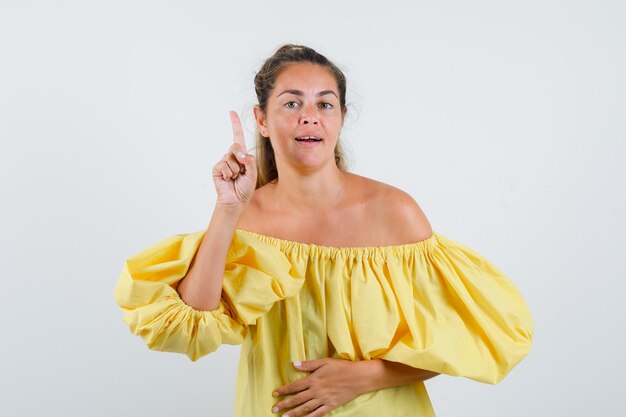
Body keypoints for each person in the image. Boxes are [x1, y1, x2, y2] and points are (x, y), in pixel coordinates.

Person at [113, 44, 534, 417]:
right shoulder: (245, 215)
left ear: (341, 118)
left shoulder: (393, 211)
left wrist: (366, 376)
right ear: (261, 119)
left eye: (325, 104)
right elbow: (188, 326)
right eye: (292, 104)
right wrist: (227, 209)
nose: (310, 117)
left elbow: (467, 338)